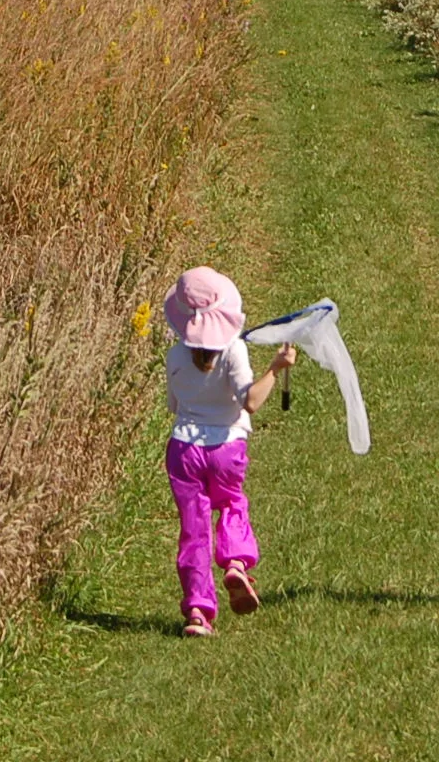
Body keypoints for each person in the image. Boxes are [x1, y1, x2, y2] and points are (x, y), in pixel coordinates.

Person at [161, 266, 297, 638]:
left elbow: (174, 406)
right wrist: (276, 368)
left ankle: (197, 612)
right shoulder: (233, 352)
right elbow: (250, 402)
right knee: (233, 503)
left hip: (184, 450)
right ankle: (235, 561)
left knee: (193, 529)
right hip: (226, 447)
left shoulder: (175, 356)